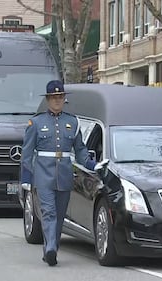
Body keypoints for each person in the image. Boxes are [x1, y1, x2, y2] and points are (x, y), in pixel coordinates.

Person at [20, 80, 108, 266]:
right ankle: (51, 248)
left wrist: (94, 166)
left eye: (60, 97)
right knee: (49, 212)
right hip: (43, 174)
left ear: (64, 99)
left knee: (59, 215)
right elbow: (27, 154)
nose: (57, 100)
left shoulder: (72, 122)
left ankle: (51, 247)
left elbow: (81, 151)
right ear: (48, 100)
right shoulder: (36, 123)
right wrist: (26, 179)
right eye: (54, 97)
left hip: (65, 175)